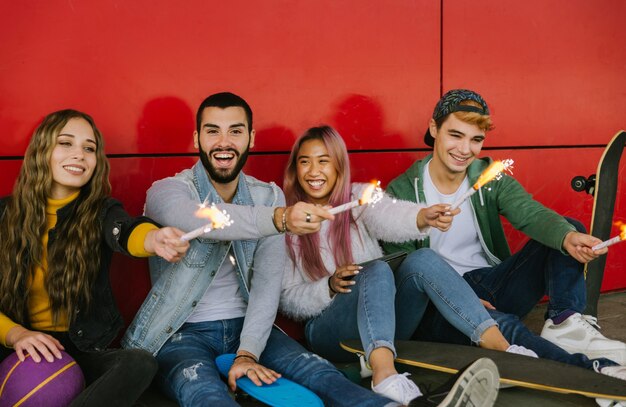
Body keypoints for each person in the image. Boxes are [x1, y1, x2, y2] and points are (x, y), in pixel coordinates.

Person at [122, 92, 413, 407]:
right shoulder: (166, 191)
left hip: (250, 326)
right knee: (206, 396)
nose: (224, 141)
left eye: (235, 131)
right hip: (179, 333)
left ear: (251, 139)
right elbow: (206, 220)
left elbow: (266, 284)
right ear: (197, 139)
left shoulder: (268, 196)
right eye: (212, 131)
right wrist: (280, 219)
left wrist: (247, 352)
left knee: (322, 376)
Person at [382, 89, 626, 380]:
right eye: (455, 135)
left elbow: (530, 213)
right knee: (504, 327)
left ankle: (565, 322)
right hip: (437, 305)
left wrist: (566, 238)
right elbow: (406, 273)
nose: (465, 149)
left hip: (490, 285)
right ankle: (596, 375)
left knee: (568, 228)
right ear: (434, 128)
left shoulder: (488, 176)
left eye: (476, 140)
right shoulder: (402, 192)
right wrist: (460, 299)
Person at [279, 125, 509, 405]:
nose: (314, 171)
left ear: (338, 165)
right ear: (295, 169)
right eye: (305, 162)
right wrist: (327, 287)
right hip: (330, 332)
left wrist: (422, 217)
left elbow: (389, 214)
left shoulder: (358, 198)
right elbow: (287, 300)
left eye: (323, 161)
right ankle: (385, 375)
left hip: (383, 325)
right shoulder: (286, 221)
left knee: (422, 259)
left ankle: (503, 349)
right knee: (374, 269)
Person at [0, 109, 190, 406]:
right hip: (14, 346)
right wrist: (17, 335)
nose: (79, 154)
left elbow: (125, 231)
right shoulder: (5, 215)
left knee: (140, 364)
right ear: (42, 150)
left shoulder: (102, 211)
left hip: (78, 348)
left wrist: (154, 238)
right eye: (66, 143)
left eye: (89, 148)